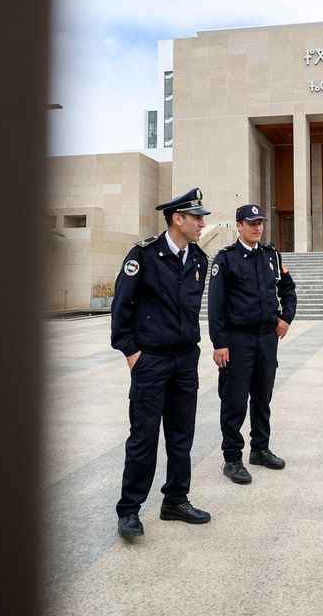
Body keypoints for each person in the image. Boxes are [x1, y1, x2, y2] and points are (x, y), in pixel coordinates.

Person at [110, 188, 213, 539]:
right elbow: (122, 305)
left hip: (185, 358)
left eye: (203, 217)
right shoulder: (144, 255)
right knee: (143, 436)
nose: (203, 222)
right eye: (197, 217)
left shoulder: (199, 259)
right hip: (151, 359)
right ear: (177, 218)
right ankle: (129, 510)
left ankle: (175, 500)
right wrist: (131, 352)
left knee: (181, 434)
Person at [208, 204, 297, 485]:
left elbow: (288, 288)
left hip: (266, 339)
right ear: (239, 226)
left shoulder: (271, 255)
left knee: (262, 397)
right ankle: (232, 458)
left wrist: (286, 318)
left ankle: (260, 448)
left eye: (260, 222)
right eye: (251, 223)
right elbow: (215, 306)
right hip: (237, 340)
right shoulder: (226, 259)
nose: (257, 227)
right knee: (234, 401)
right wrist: (219, 343)